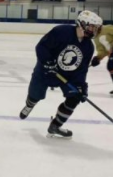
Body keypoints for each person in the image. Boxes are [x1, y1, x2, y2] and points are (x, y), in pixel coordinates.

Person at [19, 10, 103, 139]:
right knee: (35, 95)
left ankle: (55, 126)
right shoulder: (61, 32)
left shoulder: (88, 47)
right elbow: (42, 47)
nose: (94, 30)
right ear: (82, 23)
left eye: (96, 28)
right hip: (45, 71)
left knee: (74, 97)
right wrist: (48, 62)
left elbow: (81, 69)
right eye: (92, 26)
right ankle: (30, 105)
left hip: (66, 75)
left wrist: (81, 86)